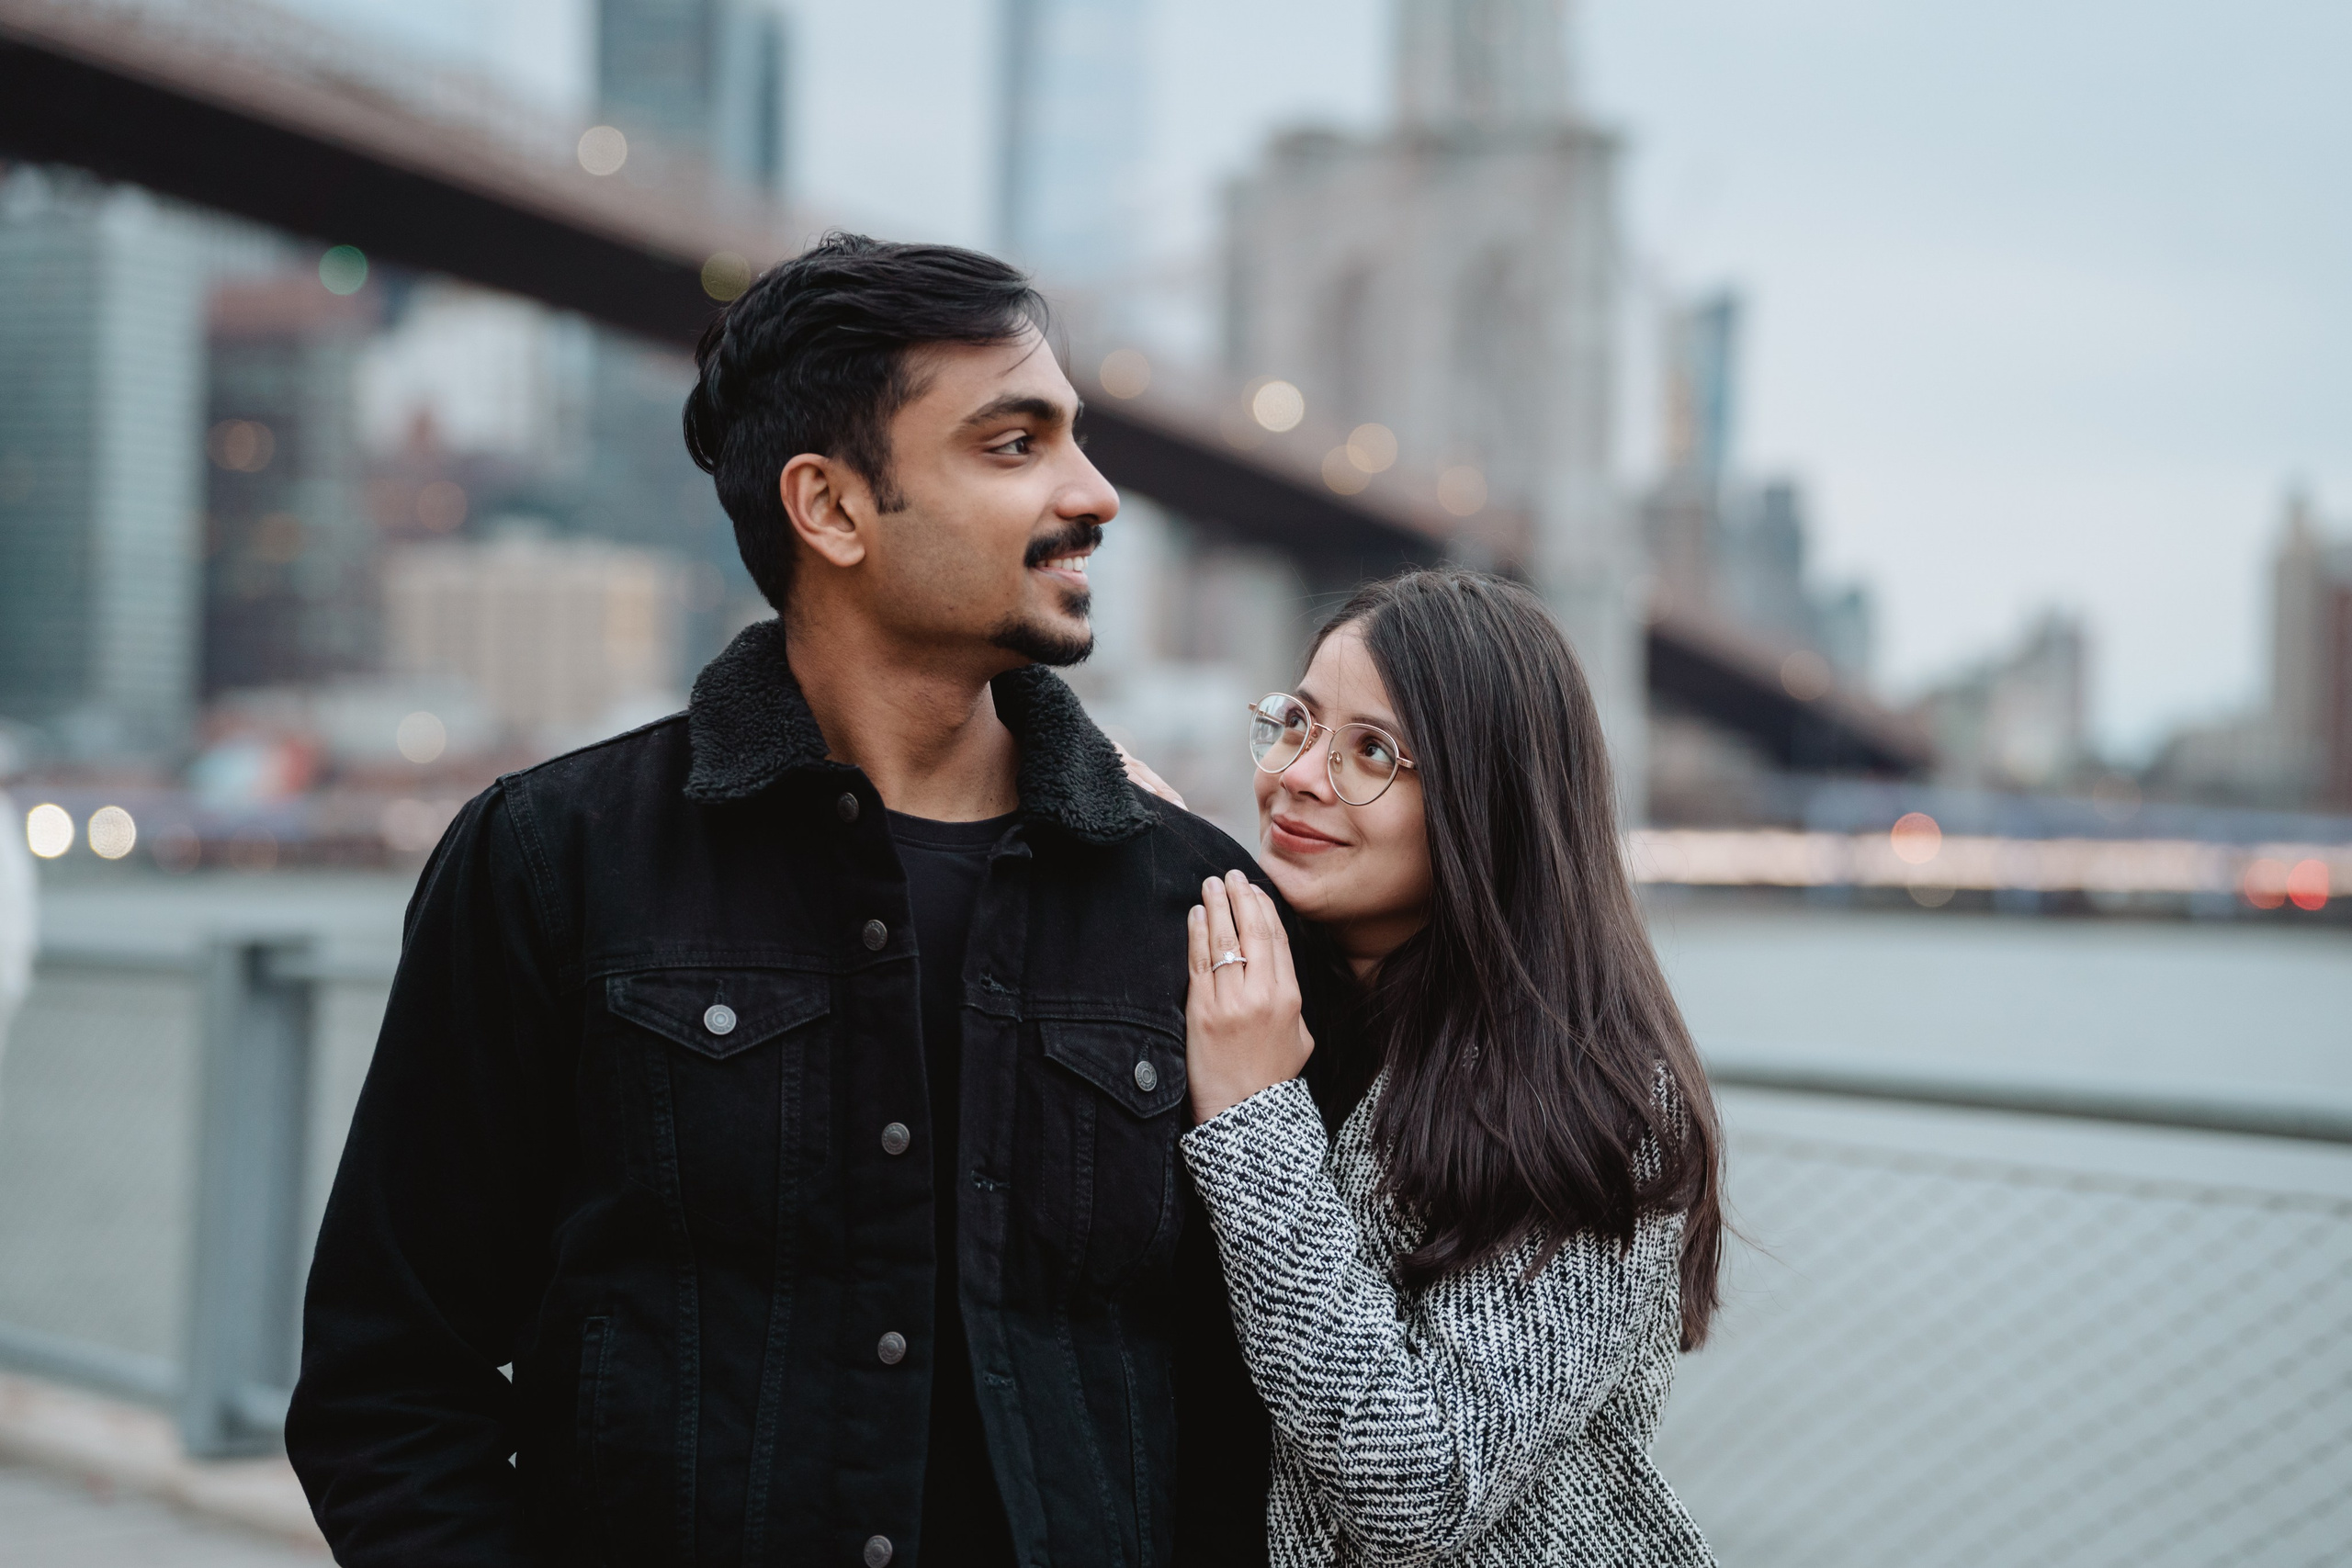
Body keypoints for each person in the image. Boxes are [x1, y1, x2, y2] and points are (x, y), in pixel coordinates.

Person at [287, 233, 1276, 1567]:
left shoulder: (1198, 901)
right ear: (831, 507)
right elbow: (391, 1381)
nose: (1095, 493)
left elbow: (1251, 1421)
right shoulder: (550, 862)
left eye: (1076, 438)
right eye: (1013, 442)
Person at [1174, 570, 1724, 1565]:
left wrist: (1253, 1115)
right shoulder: (1259, 990)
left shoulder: (1595, 1100)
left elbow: (1419, 1485)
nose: (1298, 773)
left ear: (1486, 803)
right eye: (1295, 723)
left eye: (1373, 752)